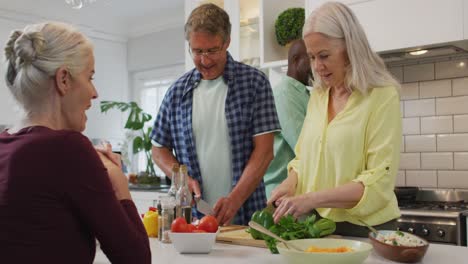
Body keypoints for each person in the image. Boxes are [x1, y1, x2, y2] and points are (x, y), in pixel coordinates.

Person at [0, 22, 151, 263]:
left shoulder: (7, 145)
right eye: (90, 77)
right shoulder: (69, 148)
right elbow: (136, 258)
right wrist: (116, 177)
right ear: (63, 80)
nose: (95, 92)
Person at [268, 2, 402, 237]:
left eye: (324, 55)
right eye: (311, 57)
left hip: (368, 230)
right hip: (319, 227)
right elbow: (303, 160)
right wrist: (289, 184)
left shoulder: (381, 96)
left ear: (350, 48)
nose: (317, 67)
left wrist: (310, 199)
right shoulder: (318, 97)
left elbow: (378, 182)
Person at [150, 3, 280, 226]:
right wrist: (182, 180)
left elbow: (265, 152)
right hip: (191, 221)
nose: (205, 60)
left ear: (227, 42)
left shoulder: (255, 83)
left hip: (247, 217)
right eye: (197, 51)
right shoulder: (177, 92)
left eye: (212, 50)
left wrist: (234, 200)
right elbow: (158, 149)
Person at [264, 39, 312, 200]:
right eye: (311, 58)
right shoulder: (285, 93)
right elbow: (304, 147)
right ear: (297, 60)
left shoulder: (302, 93)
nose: (317, 65)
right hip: (281, 193)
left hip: (295, 193)